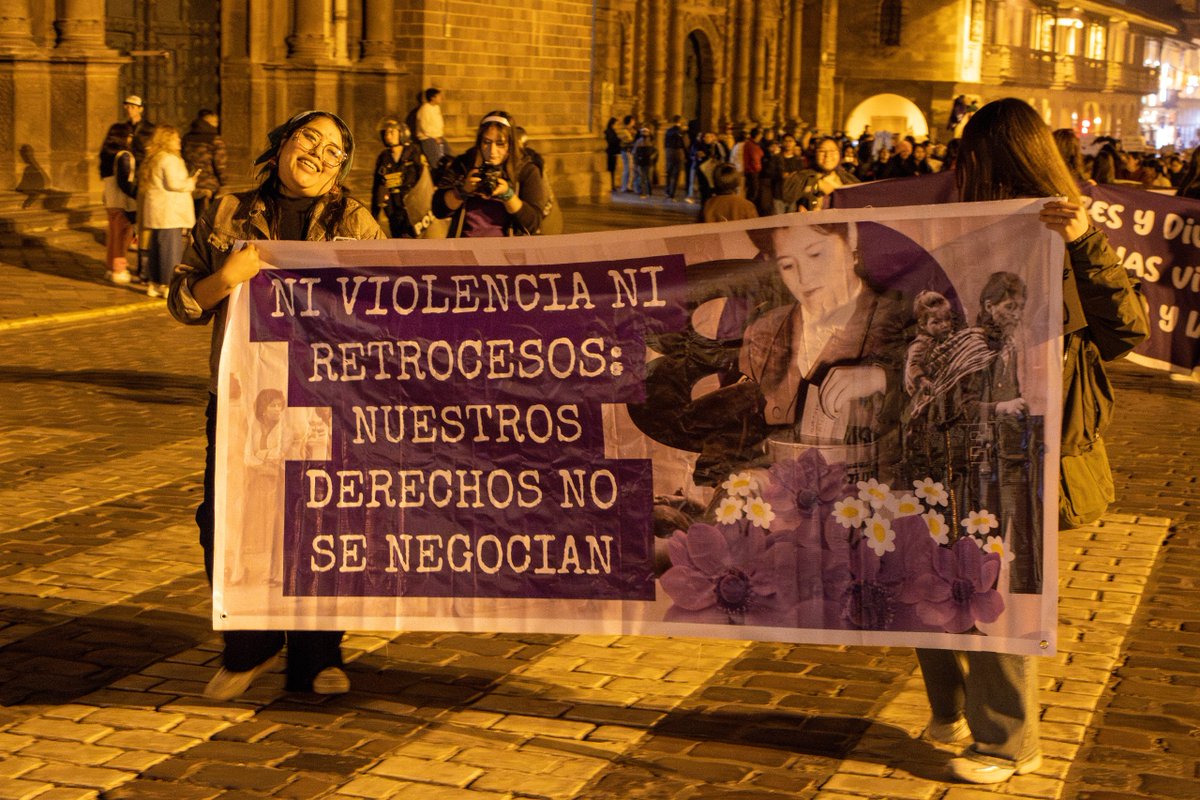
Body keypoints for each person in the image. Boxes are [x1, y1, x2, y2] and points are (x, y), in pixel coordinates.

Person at [914, 97, 1148, 785]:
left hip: (1029, 455)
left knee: (996, 598)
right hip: (949, 447)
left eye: (975, 160)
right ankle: (950, 706)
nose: (964, 172)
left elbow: (1124, 332)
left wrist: (1082, 241)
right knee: (924, 579)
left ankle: (1010, 743)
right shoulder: (960, 228)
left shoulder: (1062, 233)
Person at [167, 109, 385, 701]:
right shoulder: (226, 212)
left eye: (334, 149)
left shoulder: (358, 223)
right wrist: (229, 278)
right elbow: (184, 303)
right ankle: (251, 644)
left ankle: (315, 658)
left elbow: (386, 308)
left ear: (341, 169)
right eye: (307, 137)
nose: (317, 152)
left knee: (319, 523)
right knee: (226, 520)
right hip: (240, 396)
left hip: (322, 399)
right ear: (282, 143)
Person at [432, 110, 549, 237]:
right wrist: (462, 191)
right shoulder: (463, 165)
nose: (492, 151)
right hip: (466, 246)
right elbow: (439, 210)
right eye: (486, 142)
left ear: (510, 145)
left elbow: (533, 223)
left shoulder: (526, 170)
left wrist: (508, 196)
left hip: (506, 249)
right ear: (479, 142)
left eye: (500, 144)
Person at [138, 124, 196, 298]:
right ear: (167, 139)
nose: (179, 141)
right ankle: (169, 284)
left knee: (156, 248)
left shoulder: (154, 158)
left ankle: (154, 282)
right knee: (170, 251)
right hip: (170, 212)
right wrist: (191, 182)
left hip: (158, 211)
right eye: (175, 138)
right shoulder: (170, 159)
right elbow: (175, 184)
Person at [99, 122, 138, 285]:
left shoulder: (106, 155)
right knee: (122, 237)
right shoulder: (123, 155)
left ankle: (110, 267)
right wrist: (136, 194)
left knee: (113, 236)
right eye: (129, 135)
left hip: (110, 200)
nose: (131, 139)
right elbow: (124, 181)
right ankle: (119, 269)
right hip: (122, 201)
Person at [371, 117, 424, 237]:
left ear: (402, 133)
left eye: (391, 132)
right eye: (385, 133)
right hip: (393, 207)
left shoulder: (413, 151)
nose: (387, 136)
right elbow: (377, 185)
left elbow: (423, 176)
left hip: (411, 205)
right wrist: (375, 215)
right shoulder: (384, 157)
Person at [182, 109, 229, 220]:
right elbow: (220, 165)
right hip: (208, 185)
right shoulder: (215, 140)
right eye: (215, 122)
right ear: (207, 122)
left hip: (189, 183)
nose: (217, 125)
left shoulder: (186, 138)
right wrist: (224, 182)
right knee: (204, 216)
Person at [792, 136, 860, 211]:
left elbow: (859, 201)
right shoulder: (804, 177)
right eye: (822, 151)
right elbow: (787, 195)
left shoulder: (848, 178)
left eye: (833, 151)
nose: (827, 155)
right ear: (815, 154)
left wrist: (832, 190)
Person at [415, 87, 448, 168]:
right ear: (432, 98)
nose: (441, 98)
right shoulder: (425, 109)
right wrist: (435, 137)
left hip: (438, 137)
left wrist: (439, 135)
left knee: (448, 155)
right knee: (436, 160)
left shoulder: (436, 107)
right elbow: (425, 127)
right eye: (439, 96)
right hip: (428, 138)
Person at [122, 94, 155, 161]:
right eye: (127, 107)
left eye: (132, 107)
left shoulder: (149, 128)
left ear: (140, 109)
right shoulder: (124, 127)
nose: (129, 110)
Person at [663, 116, 688, 200]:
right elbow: (684, 143)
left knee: (669, 172)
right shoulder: (681, 131)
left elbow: (665, 142)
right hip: (678, 152)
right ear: (680, 121)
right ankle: (672, 193)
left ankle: (667, 190)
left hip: (669, 151)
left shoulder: (668, 131)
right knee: (676, 173)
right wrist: (686, 154)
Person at [604, 117, 622, 191]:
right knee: (610, 169)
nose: (618, 126)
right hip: (610, 152)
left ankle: (612, 185)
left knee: (613, 169)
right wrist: (619, 139)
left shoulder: (612, 131)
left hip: (613, 152)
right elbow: (611, 141)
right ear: (612, 124)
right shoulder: (609, 131)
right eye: (617, 124)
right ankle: (610, 185)